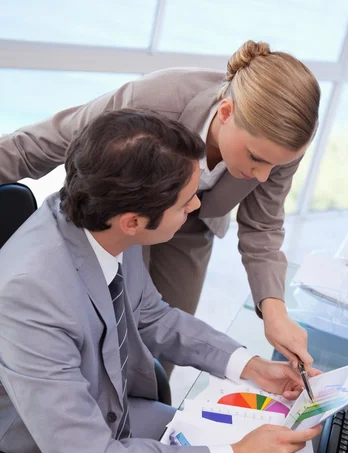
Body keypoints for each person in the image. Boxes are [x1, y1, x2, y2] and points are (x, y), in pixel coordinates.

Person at [0, 109, 321, 453]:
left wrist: (249, 365)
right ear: (134, 221)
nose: (197, 205)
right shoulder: (31, 295)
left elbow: (150, 314)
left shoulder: (105, 218)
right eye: (186, 200)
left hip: (114, 423)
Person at [0, 40, 321, 372]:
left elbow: (263, 226)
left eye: (275, 166)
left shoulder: (280, 144)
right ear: (226, 113)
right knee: (108, 326)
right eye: (256, 158)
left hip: (198, 221)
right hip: (127, 212)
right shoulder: (153, 100)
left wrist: (275, 312)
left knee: (168, 337)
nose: (262, 175)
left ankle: (145, 405)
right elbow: (44, 143)